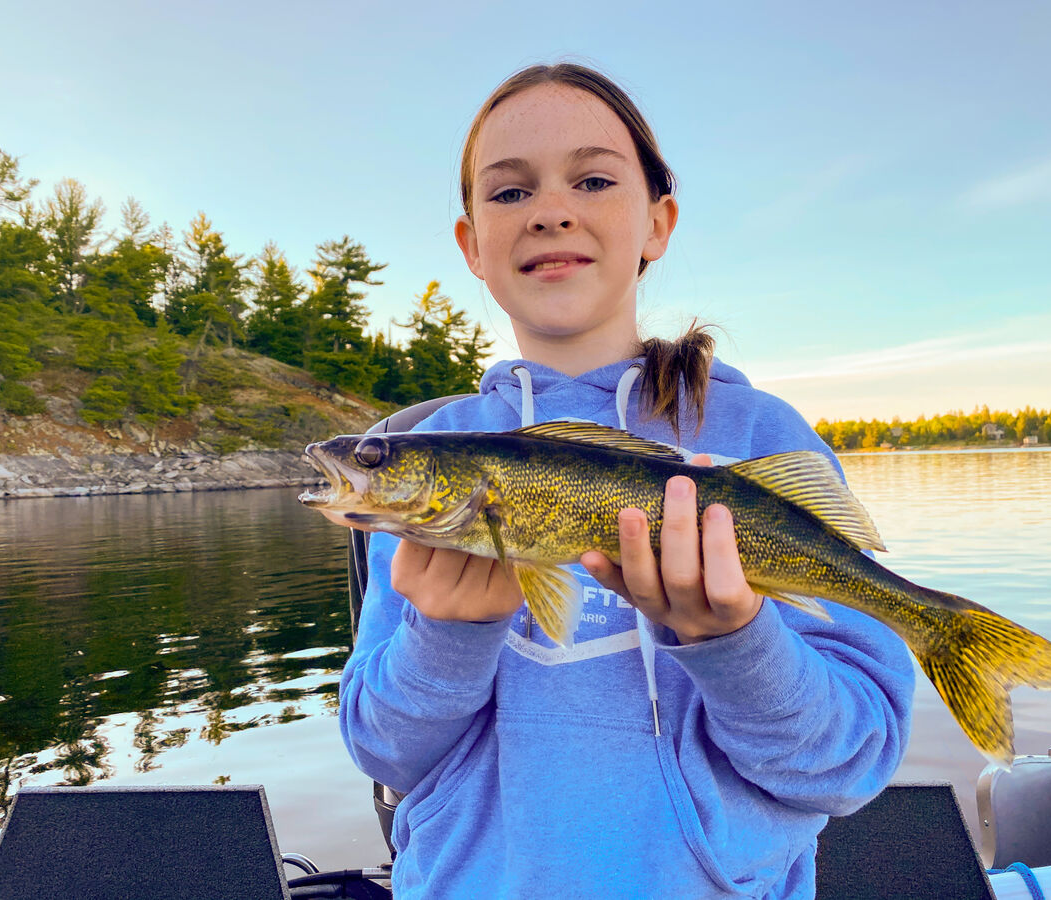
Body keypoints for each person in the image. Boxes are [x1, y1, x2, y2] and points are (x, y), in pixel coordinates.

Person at [333, 63, 914, 898]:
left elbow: (851, 766)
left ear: (657, 223)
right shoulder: (436, 456)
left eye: (594, 179)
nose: (551, 209)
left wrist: (735, 642)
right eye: (508, 193)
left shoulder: (757, 436)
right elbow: (381, 752)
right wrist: (445, 637)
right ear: (471, 246)